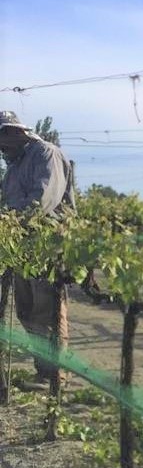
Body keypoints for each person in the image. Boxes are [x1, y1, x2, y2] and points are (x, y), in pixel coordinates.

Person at [0, 111, 74, 388]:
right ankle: (43, 371)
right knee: (27, 310)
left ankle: (56, 375)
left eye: (1, 139)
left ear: (15, 132)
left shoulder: (46, 154)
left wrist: (9, 221)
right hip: (21, 247)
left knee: (48, 310)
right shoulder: (15, 165)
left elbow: (43, 200)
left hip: (46, 243)